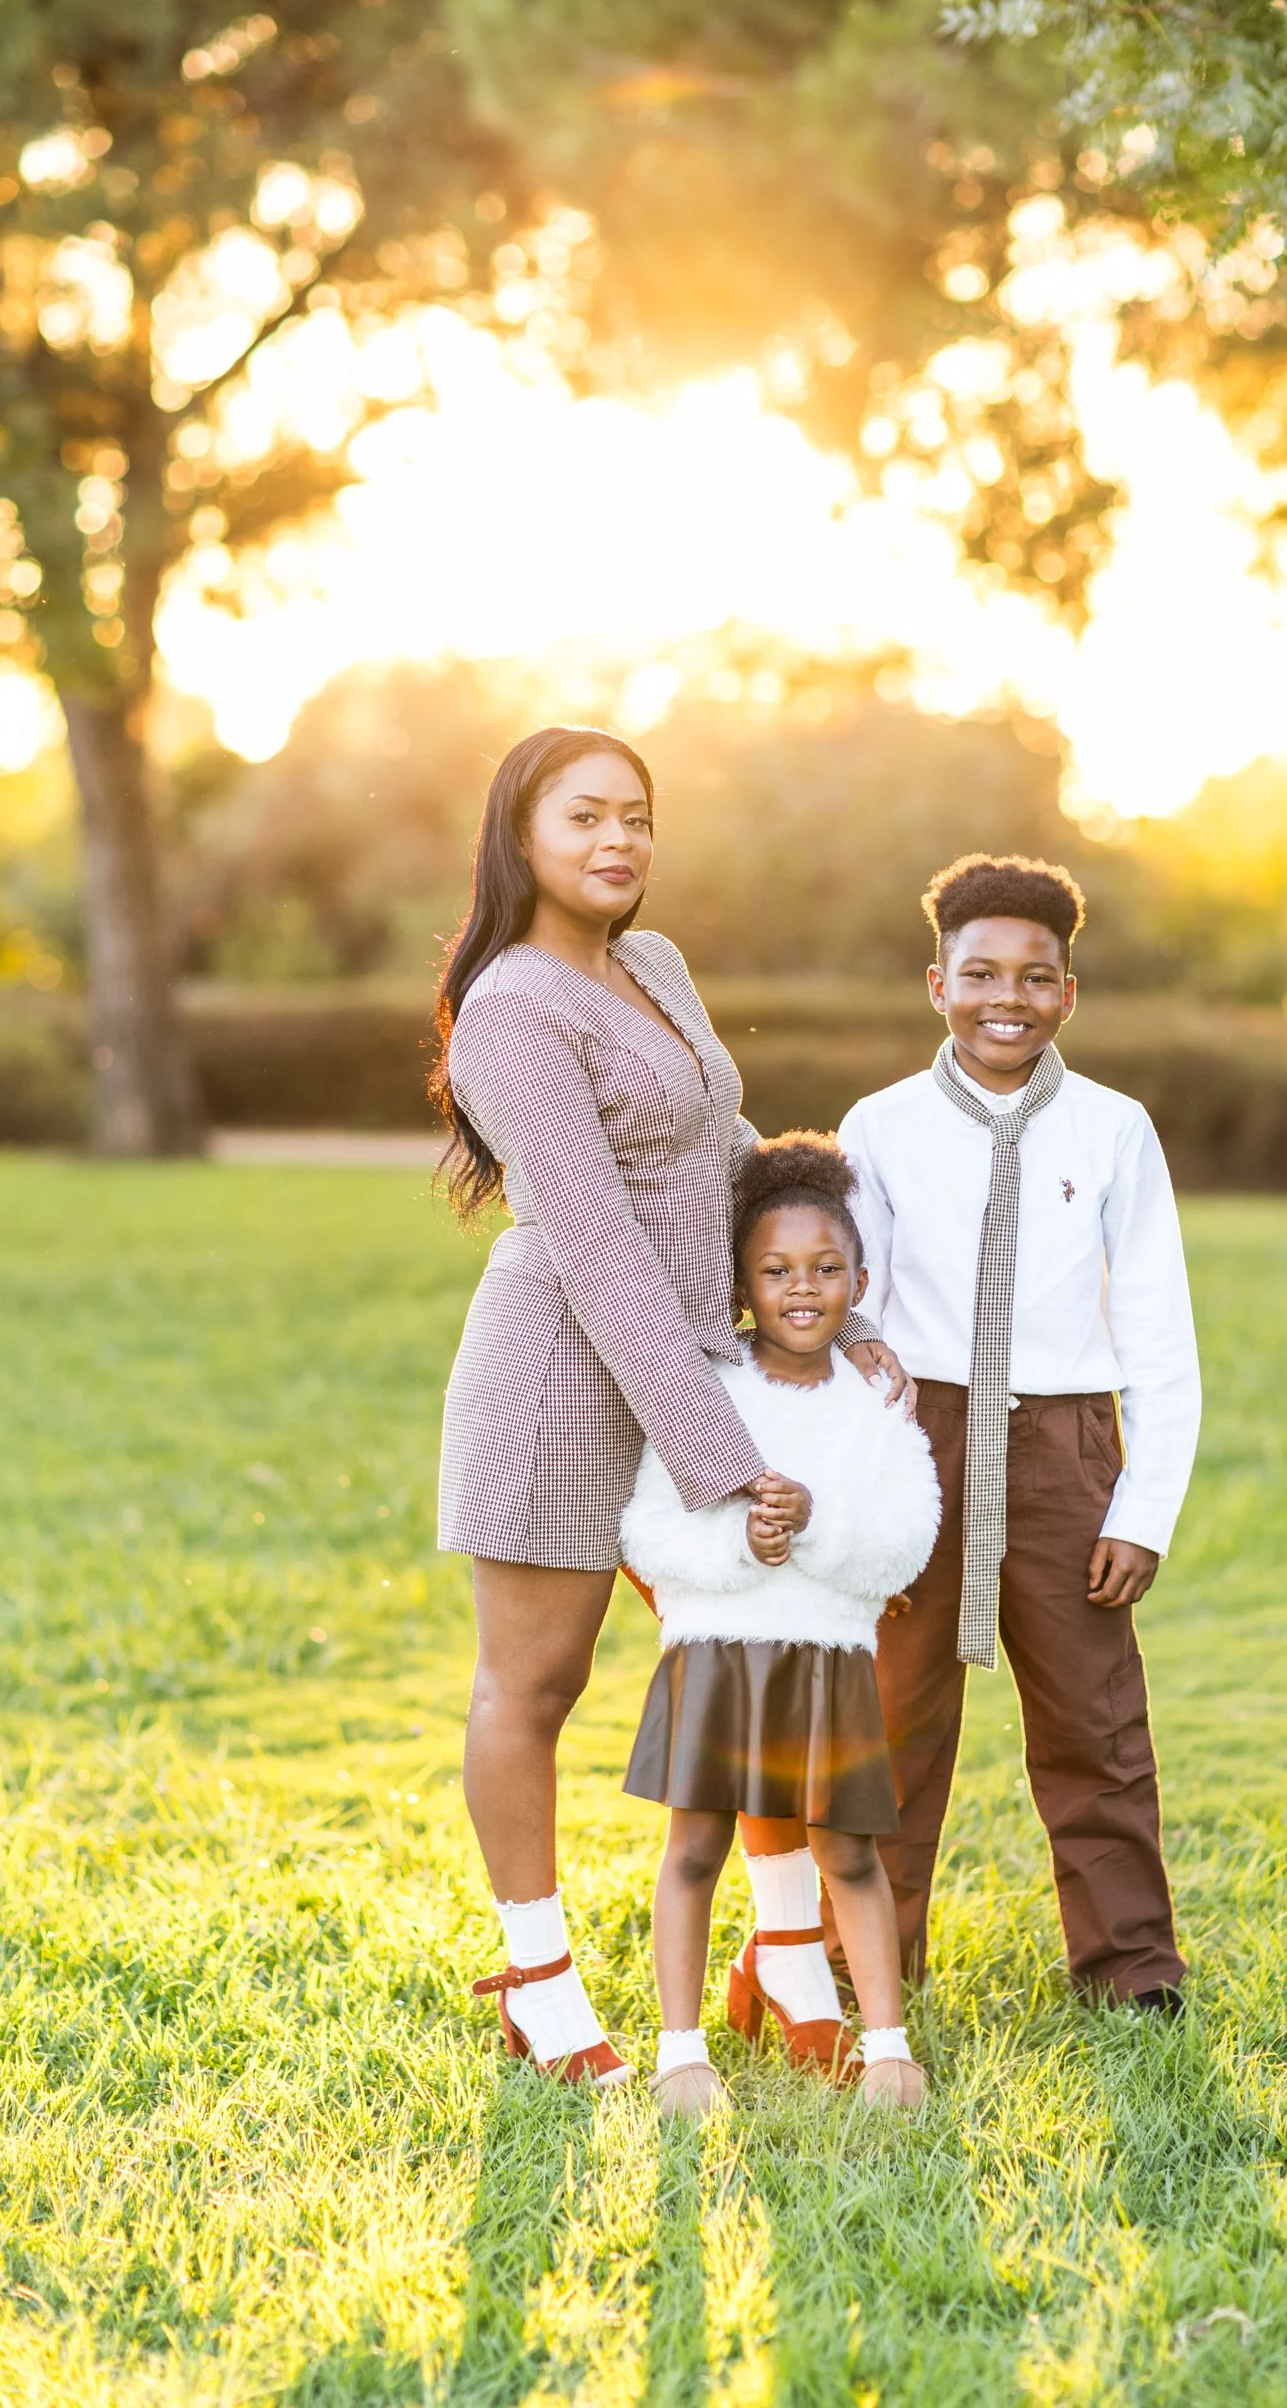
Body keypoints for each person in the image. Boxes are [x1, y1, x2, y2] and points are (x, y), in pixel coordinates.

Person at [431, 725, 910, 2085]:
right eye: (584, 816)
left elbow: (736, 1161)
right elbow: (592, 1243)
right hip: (559, 1380)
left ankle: (785, 1953)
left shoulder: (653, 966)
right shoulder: (513, 1008)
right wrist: (721, 1452)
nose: (618, 841)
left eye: (635, 817)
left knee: (758, 1659)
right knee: (536, 1682)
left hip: (700, 1364)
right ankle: (537, 1981)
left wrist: (831, 1308)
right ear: (519, 833)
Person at [836, 853, 1202, 2009]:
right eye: (980, 971)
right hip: (918, 1441)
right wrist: (855, 1500)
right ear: (933, 982)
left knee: (1095, 1727)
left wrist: (1139, 1511)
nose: (1008, 996)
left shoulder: (1113, 1129)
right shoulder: (880, 1125)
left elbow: (1156, 1334)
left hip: (1063, 1452)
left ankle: (1129, 1970)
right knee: (890, 1720)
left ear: (1067, 993)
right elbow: (852, 1319)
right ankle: (865, 1963)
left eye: (1035, 977)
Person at [619, 1135, 941, 2118]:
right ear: (742, 1283)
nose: (801, 1289)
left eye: (825, 1269)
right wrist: (741, 1545)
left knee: (846, 1852)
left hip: (825, 1661)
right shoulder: (709, 1389)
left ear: (859, 1279)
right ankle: (681, 2054)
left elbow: (905, 1534)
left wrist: (813, 1528)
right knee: (691, 1852)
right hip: (714, 1655)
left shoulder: (874, 1399)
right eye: (775, 1270)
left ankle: (886, 2047)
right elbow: (647, 1525)